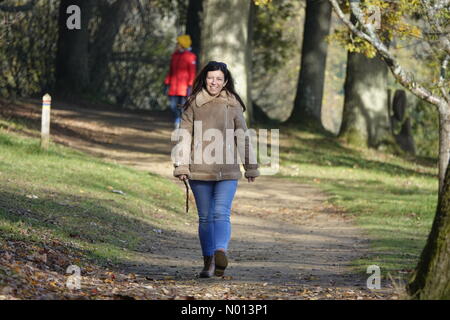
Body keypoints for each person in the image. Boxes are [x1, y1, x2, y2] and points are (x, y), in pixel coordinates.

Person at [172, 61, 260, 278]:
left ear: (225, 81)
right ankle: (209, 262)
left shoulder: (233, 104)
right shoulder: (193, 103)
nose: (214, 82)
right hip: (199, 169)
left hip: (227, 170)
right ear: (204, 79)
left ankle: (220, 252)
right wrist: (181, 165)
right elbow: (184, 136)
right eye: (211, 78)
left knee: (221, 213)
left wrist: (250, 166)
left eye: (219, 79)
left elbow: (242, 136)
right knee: (205, 217)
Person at [164, 35, 197, 129]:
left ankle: (181, 122)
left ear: (182, 44)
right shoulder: (174, 55)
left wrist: (190, 86)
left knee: (183, 107)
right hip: (173, 87)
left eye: (178, 43)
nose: (176, 45)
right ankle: (178, 119)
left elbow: (192, 72)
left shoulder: (191, 57)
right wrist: (167, 82)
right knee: (173, 106)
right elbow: (171, 71)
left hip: (184, 88)